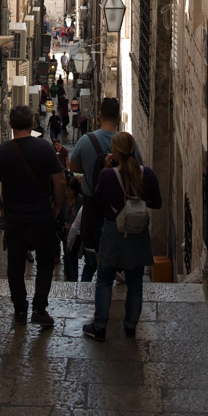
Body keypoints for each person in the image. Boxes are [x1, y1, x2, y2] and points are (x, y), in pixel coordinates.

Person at [0, 105, 65, 327]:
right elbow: (59, 180)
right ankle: (39, 309)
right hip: (41, 217)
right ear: (32, 124)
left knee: (15, 266)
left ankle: (20, 309)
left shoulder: (1, 152)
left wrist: (1, 206)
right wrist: (57, 205)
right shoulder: (45, 149)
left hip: (15, 219)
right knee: (46, 263)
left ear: (10, 125)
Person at [82, 131, 162, 341]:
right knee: (135, 281)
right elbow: (157, 203)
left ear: (116, 152)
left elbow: (98, 198)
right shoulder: (148, 174)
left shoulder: (109, 175)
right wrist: (139, 201)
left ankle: (99, 327)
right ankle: (130, 326)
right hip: (139, 234)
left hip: (113, 232)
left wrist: (107, 170)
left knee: (104, 280)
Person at [67, 97, 142, 281]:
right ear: (118, 116)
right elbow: (138, 168)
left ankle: (88, 292)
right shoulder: (127, 143)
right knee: (118, 249)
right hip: (121, 207)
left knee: (91, 259)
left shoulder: (86, 141)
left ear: (99, 115)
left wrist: (92, 168)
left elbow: (74, 168)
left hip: (93, 206)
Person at [58, 175, 83, 282]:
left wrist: (72, 225)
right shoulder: (62, 200)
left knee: (72, 256)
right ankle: (69, 275)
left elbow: (82, 218)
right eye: (65, 190)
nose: (67, 193)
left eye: (69, 190)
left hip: (76, 234)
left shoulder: (80, 201)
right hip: (65, 233)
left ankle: (73, 279)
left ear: (75, 191)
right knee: (67, 254)